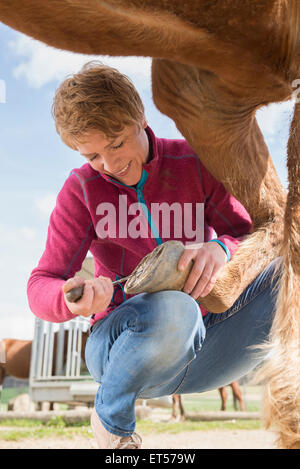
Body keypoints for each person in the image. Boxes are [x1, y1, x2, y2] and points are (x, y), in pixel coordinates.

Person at [27, 61, 280, 449]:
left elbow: (252, 234)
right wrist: (68, 297)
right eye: (92, 155)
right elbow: (41, 281)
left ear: (140, 117)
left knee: (286, 272)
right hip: (122, 344)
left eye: (116, 143)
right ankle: (113, 424)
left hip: (209, 344)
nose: (110, 165)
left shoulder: (195, 162)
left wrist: (222, 248)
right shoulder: (80, 189)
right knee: (174, 308)